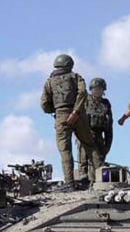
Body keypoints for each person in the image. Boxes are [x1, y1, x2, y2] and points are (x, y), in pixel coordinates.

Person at [40, 54, 102, 186]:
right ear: (70, 65)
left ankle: (69, 183)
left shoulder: (49, 82)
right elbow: (83, 92)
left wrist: (56, 110)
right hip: (79, 114)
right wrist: (76, 111)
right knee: (90, 145)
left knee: (65, 150)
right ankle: (103, 178)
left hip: (61, 116)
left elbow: (44, 104)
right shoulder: (76, 77)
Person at [76, 77, 113, 179]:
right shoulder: (85, 101)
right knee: (83, 159)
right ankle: (83, 177)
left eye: (99, 89)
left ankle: (96, 180)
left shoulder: (105, 104)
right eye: (95, 89)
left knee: (99, 161)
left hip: (99, 135)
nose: (97, 91)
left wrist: (108, 144)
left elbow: (109, 125)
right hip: (85, 134)